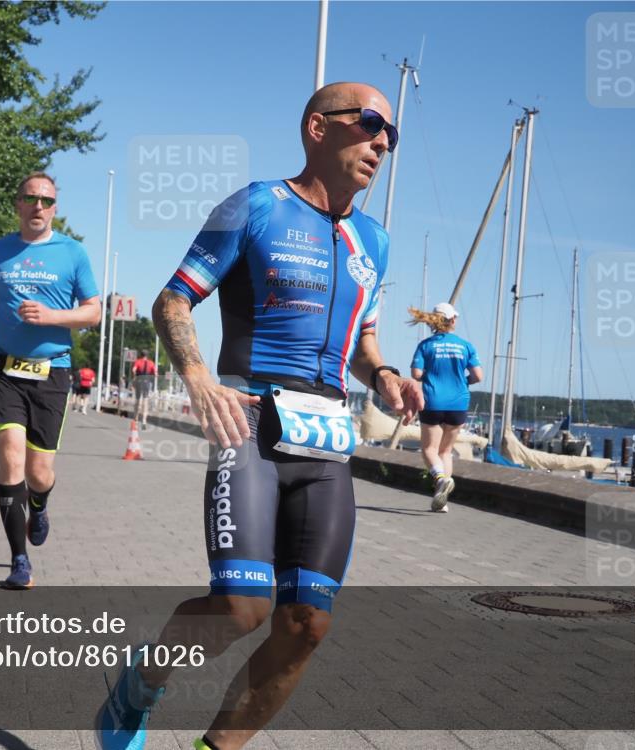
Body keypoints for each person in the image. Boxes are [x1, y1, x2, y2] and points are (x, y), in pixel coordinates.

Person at [96, 82, 423, 750]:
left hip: (327, 445)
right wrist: (195, 377)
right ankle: (141, 685)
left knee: (306, 624)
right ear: (318, 128)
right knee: (242, 609)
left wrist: (385, 375)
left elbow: (362, 345)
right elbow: (173, 301)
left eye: (391, 132)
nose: (382, 142)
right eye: (368, 124)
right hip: (250, 428)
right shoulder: (255, 206)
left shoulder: (374, 242)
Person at [0, 172, 100, 589]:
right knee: (10, 460)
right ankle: (19, 562)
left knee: (39, 473)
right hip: (5, 367)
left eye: (46, 200)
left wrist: (53, 317)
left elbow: (93, 311)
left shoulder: (72, 253)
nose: (38, 206)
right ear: (18, 204)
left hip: (52, 371)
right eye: (30, 198)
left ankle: (39, 504)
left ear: (55, 208)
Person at [409, 302, 483, 512]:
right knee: (446, 451)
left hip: (433, 401)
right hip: (458, 403)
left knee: (429, 449)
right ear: (452, 320)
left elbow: (416, 374)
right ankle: (442, 502)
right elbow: (478, 376)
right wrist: (462, 381)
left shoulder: (426, 345)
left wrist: (431, 376)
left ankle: (440, 479)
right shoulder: (466, 345)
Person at [131, 349, 156, 428]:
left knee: (138, 400)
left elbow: (133, 370)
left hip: (139, 382)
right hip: (146, 383)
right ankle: (144, 420)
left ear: (141, 355)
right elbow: (155, 373)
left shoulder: (138, 361)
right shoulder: (151, 363)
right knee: (145, 400)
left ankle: (136, 419)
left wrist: (135, 377)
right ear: (147, 355)